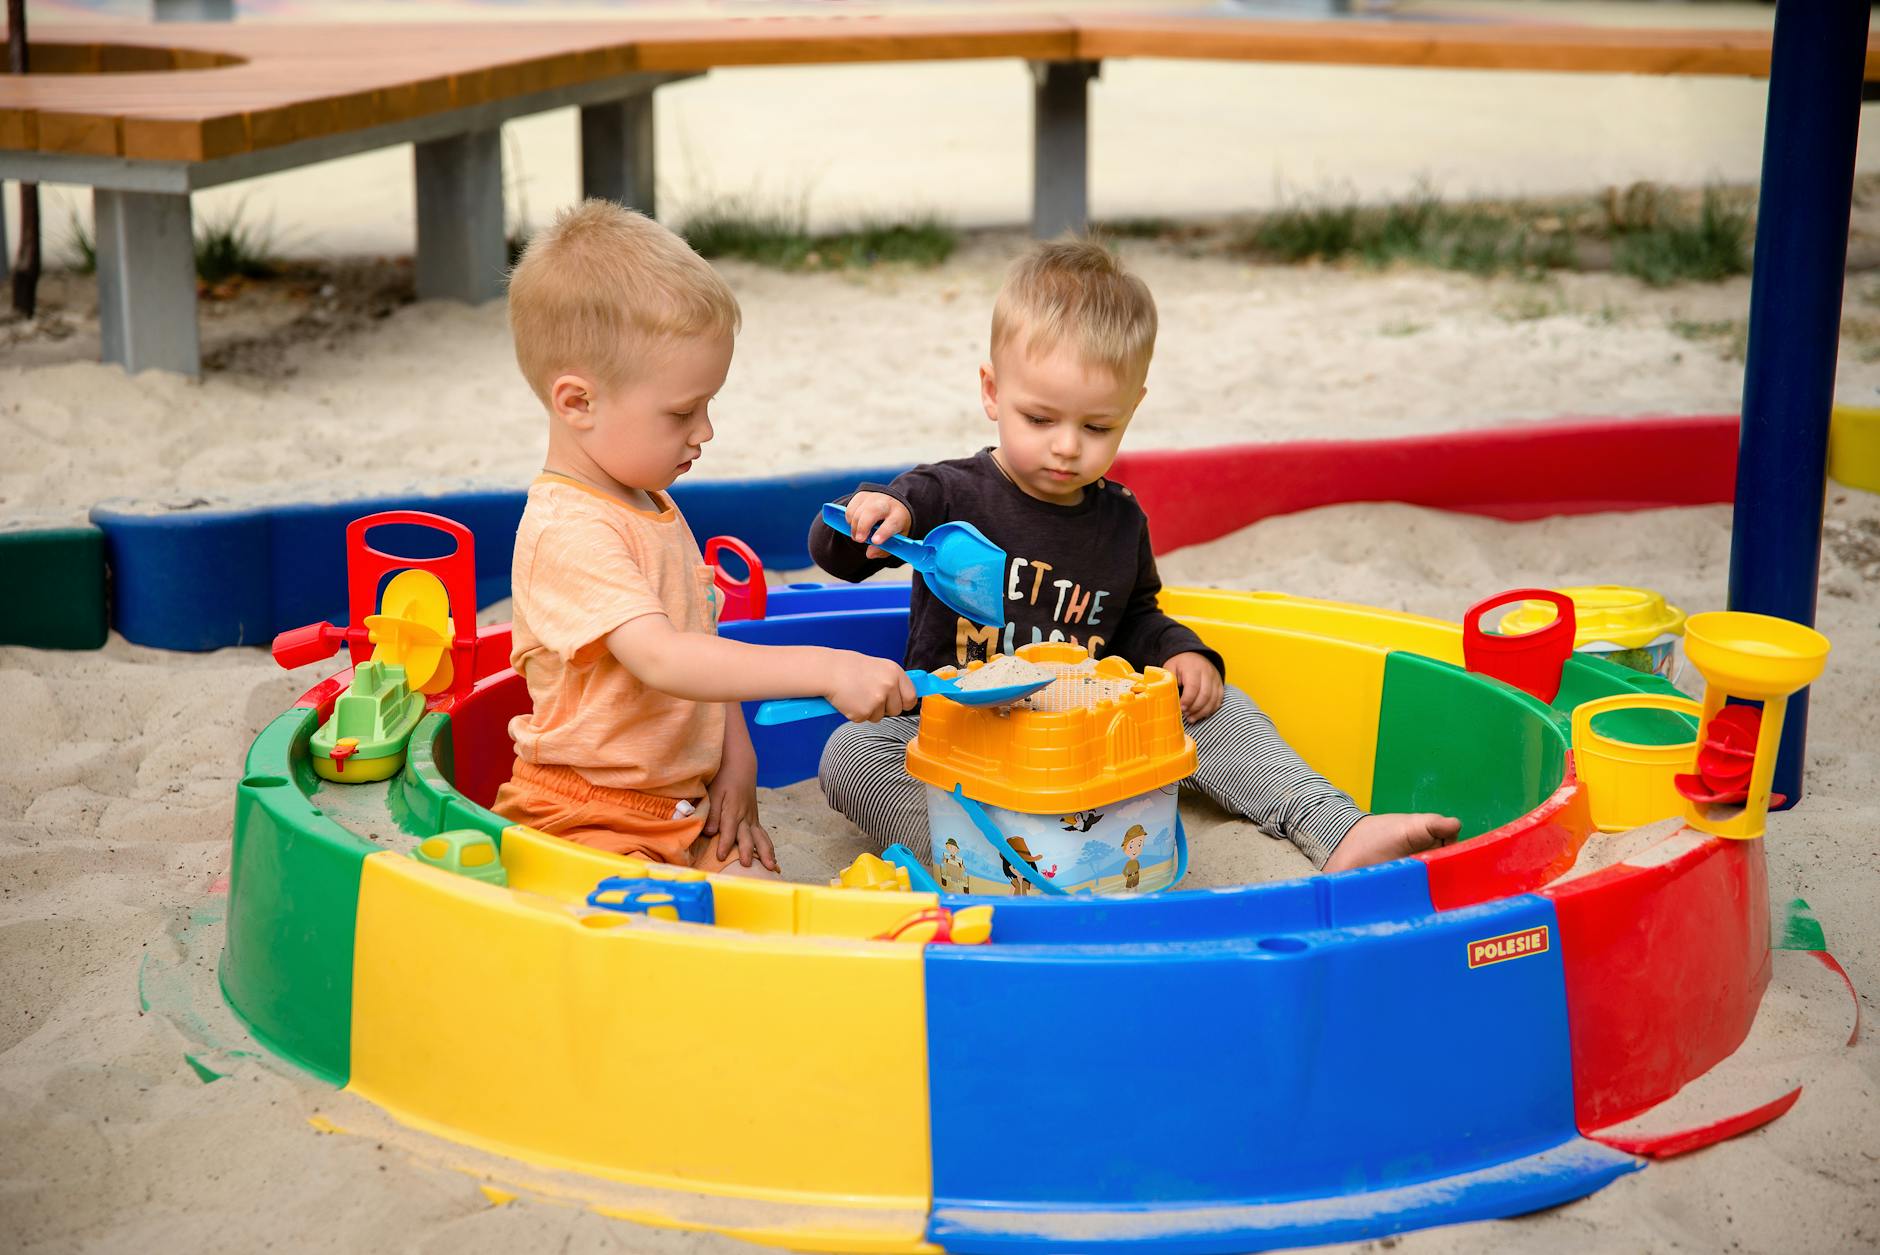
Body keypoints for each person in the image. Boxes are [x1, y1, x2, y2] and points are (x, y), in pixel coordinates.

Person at [810, 240, 1460, 873]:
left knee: (1221, 706)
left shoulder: (1119, 520)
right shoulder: (946, 494)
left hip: (1093, 745)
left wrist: (1183, 653)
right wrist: (874, 515)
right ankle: (993, 864)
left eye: (1097, 428)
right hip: (962, 746)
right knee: (852, 753)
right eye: (1039, 419)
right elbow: (841, 554)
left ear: (1131, 409)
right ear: (991, 391)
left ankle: (1334, 826)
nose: (1067, 447)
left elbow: (1134, 618)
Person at [492, 200, 916, 875]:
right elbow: (662, 658)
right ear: (577, 403)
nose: (706, 431)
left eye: (709, 404)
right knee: (664, 934)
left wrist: (736, 756)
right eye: (683, 411)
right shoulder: (568, 528)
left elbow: (701, 644)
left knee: (762, 901)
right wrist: (827, 667)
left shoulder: (648, 499)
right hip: (585, 813)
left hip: (679, 806)